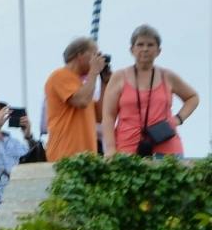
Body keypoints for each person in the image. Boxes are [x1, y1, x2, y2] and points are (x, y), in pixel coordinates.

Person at [102, 24, 198, 158]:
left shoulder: (167, 76)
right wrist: (110, 148)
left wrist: (178, 119)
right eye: (140, 44)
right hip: (127, 147)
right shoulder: (119, 77)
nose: (145, 49)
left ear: (158, 50)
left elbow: (193, 97)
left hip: (166, 146)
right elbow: (108, 115)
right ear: (132, 49)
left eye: (150, 45)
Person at [43, 36, 107, 163]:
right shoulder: (59, 76)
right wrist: (93, 72)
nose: (98, 59)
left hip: (87, 157)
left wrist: (105, 82)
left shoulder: (82, 85)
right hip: (65, 155)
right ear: (80, 55)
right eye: (94, 54)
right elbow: (82, 101)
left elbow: (100, 116)